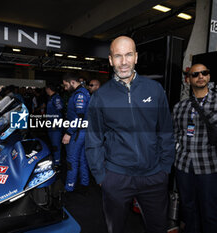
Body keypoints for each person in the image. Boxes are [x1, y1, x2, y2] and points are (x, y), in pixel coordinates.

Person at [85, 36, 175, 233]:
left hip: (154, 176)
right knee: (114, 228)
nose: (123, 62)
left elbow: (166, 131)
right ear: (110, 60)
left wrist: (165, 168)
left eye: (128, 55)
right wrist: (102, 176)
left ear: (136, 57)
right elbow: (94, 139)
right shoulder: (101, 96)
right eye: (118, 56)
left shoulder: (155, 89)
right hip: (117, 177)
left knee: (158, 228)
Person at [173, 63, 217, 233]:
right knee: (188, 210)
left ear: (209, 77)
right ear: (188, 79)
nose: (200, 76)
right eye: (195, 74)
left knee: (210, 212)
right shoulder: (180, 107)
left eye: (204, 73)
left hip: (209, 167)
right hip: (183, 166)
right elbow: (174, 134)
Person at [62, 73, 90, 192]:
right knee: (82, 159)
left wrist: (69, 132)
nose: (65, 88)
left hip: (77, 132)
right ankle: (84, 183)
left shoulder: (80, 95)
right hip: (83, 131)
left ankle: (69, 186)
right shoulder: (81, 92)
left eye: (66, 85)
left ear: (72, 82)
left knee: (71, 160)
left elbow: (79, 116)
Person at [45, 84, 64, 165]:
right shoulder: (51, 98)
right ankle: (55, 160)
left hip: (55, 125)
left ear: (49, 89)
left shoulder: (56, 98)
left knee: (56, 145)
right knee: (52, 144)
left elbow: (60, 110)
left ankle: (57, 162)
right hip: (50, 125)